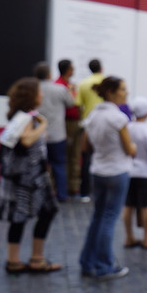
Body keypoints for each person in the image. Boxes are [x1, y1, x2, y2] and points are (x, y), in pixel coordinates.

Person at [0, 77, 61, 274]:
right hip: (29, 179)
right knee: (40, 213)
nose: (41, 95)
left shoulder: (20, 117)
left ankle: (16, 260)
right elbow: (26, 140)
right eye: (39, 92)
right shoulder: (28, 119)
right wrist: (43, 125)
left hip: (25, 177)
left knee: (22, 216)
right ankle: (34, 258)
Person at [78, 76, 136, 281]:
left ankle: (87, 261)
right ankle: (104, 265)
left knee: (98, 217)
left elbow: (85, 147)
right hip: (117, 171)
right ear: (111, 92)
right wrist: (134, 148)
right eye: (122, 89)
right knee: (109, 218)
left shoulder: (93, 115)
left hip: (98, 170)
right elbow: (130, 149)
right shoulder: (118, 118)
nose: (126, 93)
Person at [122, 97, 147, 251]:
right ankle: (146, 238)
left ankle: (129, 236)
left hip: (128, 170)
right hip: (144, 172)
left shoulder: (127, 128)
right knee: (146, 205)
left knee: (128, 205)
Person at [34, 61, 74, 202]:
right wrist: (69, 89)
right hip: (57, 133)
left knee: (39, 166)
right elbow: (71, 103)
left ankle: (40, 194)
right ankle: (62, 195)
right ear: (49, 74)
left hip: (38, 133)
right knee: (59, 165)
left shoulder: (33, 89)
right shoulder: (59, 89)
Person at [76, 59, 105, 202]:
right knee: (104, 156)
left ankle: (85, 192)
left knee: (86, 159)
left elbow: (78, 105)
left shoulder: (82, 84)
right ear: (101, 68)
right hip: (105, 124)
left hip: (87, 124)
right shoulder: (106, 82)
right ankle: (102, 191)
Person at [56, 59, 83, 199]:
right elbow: (71, 103)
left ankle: (73, 186)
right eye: (72, 68)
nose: (74, 70)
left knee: (74, 155)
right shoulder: (60, 86)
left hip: (74, 122)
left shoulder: (69, 85)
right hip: (66, 123)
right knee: (67, 154)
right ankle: (64, 186)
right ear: (67, 70)